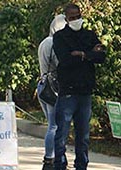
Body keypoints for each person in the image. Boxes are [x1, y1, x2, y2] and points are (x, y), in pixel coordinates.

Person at [53, 3, 106, 170]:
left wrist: (82, 54)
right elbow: (65, 59)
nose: (76, 20)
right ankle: (60, 165)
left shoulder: (89, 35)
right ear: (66, 19)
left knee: (83, 136)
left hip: (85, 92)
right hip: (68, 92)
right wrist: (90, 54)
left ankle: (81, 165)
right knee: (62, 134)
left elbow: (101, 56)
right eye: (72, 18)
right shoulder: (60, 37)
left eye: (78, 16)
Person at [37, 14, 66, 170]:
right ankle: (50, 159)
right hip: (54, 87)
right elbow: (59, 66)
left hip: (42, 85)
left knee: (51, 124)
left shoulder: (44, 42)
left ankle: (54, 157)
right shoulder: (55, 43)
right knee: (55, 126)